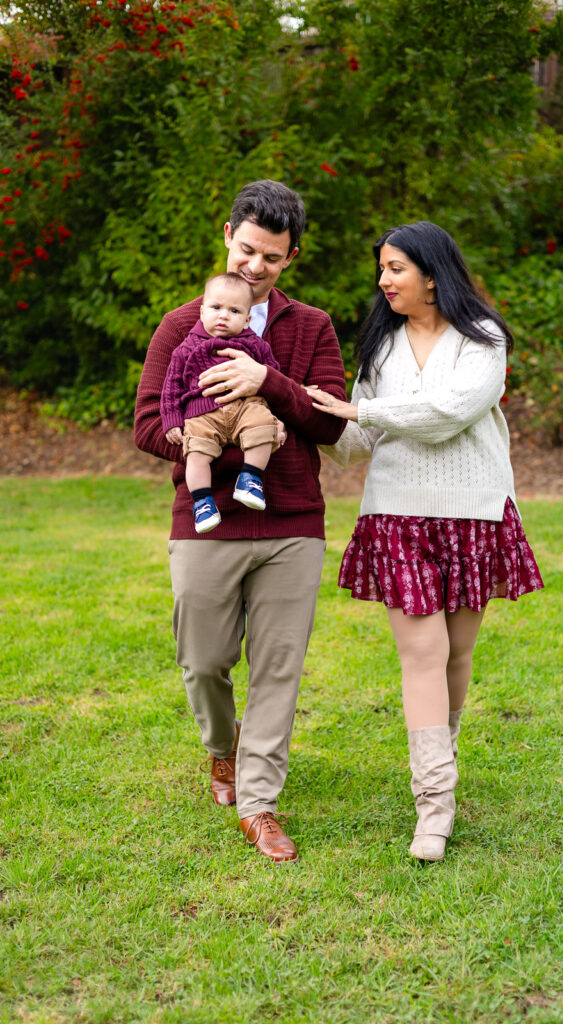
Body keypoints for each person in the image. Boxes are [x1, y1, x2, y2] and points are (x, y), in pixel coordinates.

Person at [307, 221, 544, 863]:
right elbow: (357, 443)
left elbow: (449, 413)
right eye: (381, 269)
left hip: (475, 514)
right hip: (398, 516)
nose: (383, 281)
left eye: (394, 268)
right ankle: (434, 805)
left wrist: (361, 412)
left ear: (433, 274)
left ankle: (443, 755)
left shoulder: (482, 339)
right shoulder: (379, 349)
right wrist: (310, 414)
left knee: (455, 656)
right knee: (422, 653)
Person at [135, 180, 347, 863]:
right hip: (207, 521)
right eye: (248, 250)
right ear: (227, 234)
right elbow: (145, 425)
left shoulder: (310, 327)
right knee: (202, 661)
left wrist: (267, 386)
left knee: (278, 668)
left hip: (291, 522)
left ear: (292, 258)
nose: (256, 267)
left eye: (273, 258)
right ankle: (221, 752)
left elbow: (327, 422)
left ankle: (258, 803)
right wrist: (208, 436)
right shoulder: (180, 324)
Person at [161, 272, 281, 531]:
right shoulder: (186, 348)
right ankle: (203, 503)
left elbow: (274, 379)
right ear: (202, 311)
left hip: (247, 407)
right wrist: (171, 421)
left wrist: (277, 416)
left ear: (248, 319)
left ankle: (250, 477)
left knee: (262, 426)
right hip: (201, 414)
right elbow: (171, 387)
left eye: (234, 311)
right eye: (216, 308)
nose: (224, 315)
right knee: (196, 454)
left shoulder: (257, 346)